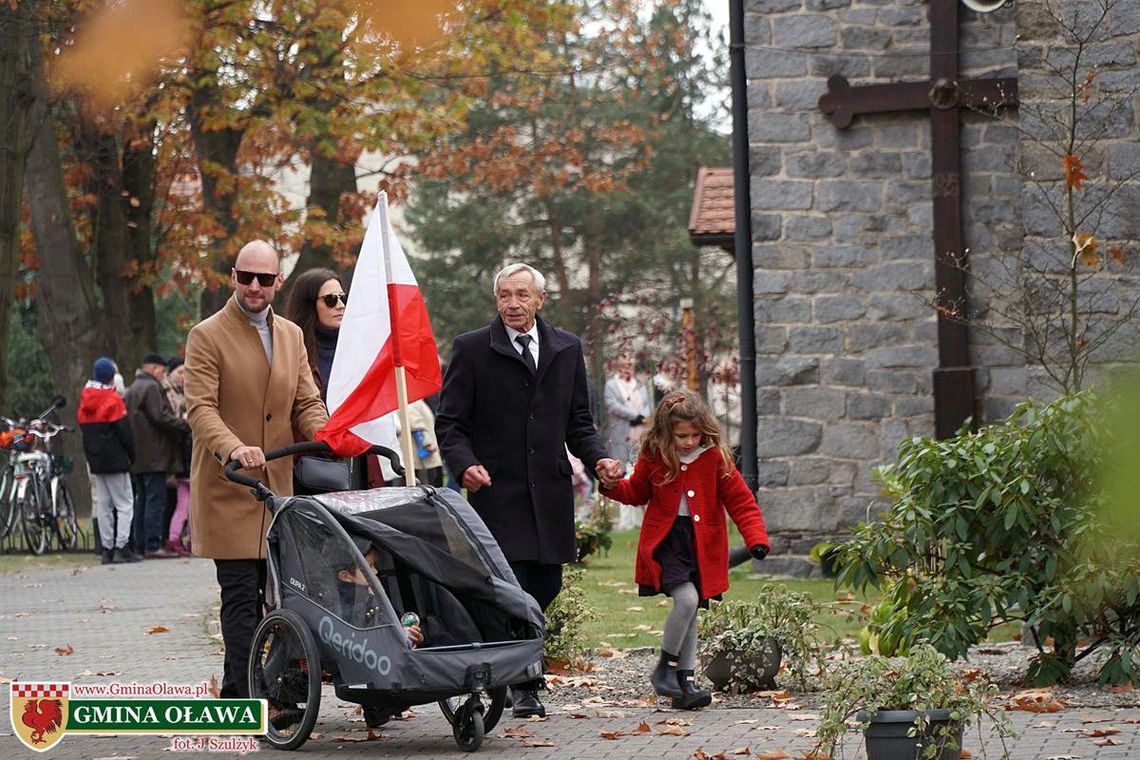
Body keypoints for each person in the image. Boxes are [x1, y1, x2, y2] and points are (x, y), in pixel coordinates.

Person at [435, 261, 622, 718]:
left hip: (550, 494)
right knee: (511, 585)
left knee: (545, 584)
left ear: (540, 299)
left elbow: (579, 421)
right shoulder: (473, 349)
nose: (512, 304)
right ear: (496, 299)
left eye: (522, 295)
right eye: (504, 295)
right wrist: (465, 465)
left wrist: (598, 457)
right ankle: (523, 681)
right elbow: (451, 424)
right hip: (498, 493)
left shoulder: (565, 348)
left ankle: (509, 665)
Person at [184, 239, 328, 700]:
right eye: (246, 276)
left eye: (264, 279)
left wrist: (329, 434)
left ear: (278, 282)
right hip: (230, 486)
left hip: (278, 491)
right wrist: (234, 448)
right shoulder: (207, 335)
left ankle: (243, 689)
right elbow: (200, 409)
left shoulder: (290, 335)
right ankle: (252, 694)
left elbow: (306, 401)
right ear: (232, 277)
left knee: (286, 596)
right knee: (242, 596)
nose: (254, 286)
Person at [600, 391, 770, 710]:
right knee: (687, 599)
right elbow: (636, 491)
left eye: (694, 435)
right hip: (667, 542)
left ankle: (685, 683)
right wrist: (611, 486)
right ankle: (666, 666)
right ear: (667, 431)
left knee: (691, 610)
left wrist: (755, 537)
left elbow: (741, 501)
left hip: (702, 544)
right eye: (682, 436)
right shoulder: (655, 454)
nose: (689, 441)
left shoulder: (715, 457)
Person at [124, 352, 190, 558]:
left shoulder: (133, 388)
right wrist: (185, 425)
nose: (163, 375)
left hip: (139, 454)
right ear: (154, 369)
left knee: (141, 499)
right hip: (155, 454)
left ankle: (140, 542)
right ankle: (153, 544)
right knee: (155, 500)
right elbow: (161, 416)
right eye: (162, 371)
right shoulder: (152, 386)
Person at [77, 357, 141, 564]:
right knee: (124, 505)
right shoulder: (113, 400)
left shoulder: (85, 398)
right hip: (115, 459)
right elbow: (125, 434)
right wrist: (130, 456)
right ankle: (122, 547)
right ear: (112, 376)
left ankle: (106, 549)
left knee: (104, 505)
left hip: (95, 460)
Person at [604, 353, 652, 530]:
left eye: (630, 366)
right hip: (621, 433)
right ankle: (625, 520)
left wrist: (643, 416)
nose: (627, 369)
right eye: (624, 366)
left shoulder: (639, 384)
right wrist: (633, 415)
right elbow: (612, 405)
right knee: (622, 471)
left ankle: (640, 518)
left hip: (640, 431)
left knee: (639, 470)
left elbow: (648, 403)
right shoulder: (611, 385)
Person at [284, 267, 345, 402]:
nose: (340, 305)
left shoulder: (357, 346)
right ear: (309, 305)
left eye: (342, 298)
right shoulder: (291, 352)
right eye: (331, 299)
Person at [162, 356, 192, 557]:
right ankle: (183, 539)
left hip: (182, 460)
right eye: (179, 372)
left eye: (185, 372)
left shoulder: (180, 392)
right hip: (184, 459)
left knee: (185, 503)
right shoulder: (169, 394)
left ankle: (177, 537)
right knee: (189, 505)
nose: (182, 377)